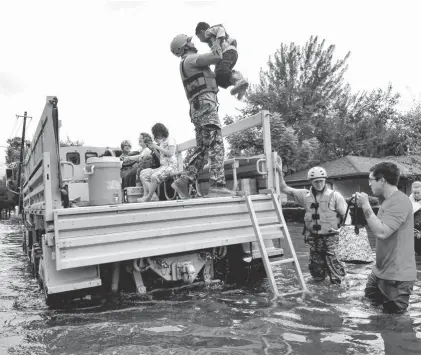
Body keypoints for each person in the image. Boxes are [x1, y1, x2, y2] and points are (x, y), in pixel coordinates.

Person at [169, 34, 235, 199]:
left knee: (203, 150)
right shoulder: (191, 60)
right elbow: (216, 56)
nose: (193, 43)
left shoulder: (187, 63)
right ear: (184, 47)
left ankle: (184, 181)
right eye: (190, 41)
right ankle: (217, 186)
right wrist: (216, 39)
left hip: (198, 109)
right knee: (216, 145)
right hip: (205, 108)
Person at [355, 162, 417, 313]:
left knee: (395, 323)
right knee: (369, 308)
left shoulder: (400, 202)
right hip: (380, 272)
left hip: (397, 277)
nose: (369, 183)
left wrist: (366, 205)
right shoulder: (388, 201)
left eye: (371, 179)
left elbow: (382, 232)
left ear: (382, 180)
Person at [277, 158, 348, 284]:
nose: (319, 184)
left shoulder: (335, 196)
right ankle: (319, 287)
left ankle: (340, 288)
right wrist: (278, 173)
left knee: (334, 265)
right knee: (316, 269)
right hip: (314, 238)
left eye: (321, 181)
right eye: (316, 182)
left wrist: (342, 230)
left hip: (332, 237)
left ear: (325, 180)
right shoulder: (304, 195)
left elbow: (346, 215)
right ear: (311, 182)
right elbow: (284, 188)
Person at [195, 22, 248, 100]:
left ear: (202, 31)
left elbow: (221, 29)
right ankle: (239, 85)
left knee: (221, 70)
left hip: (228, 52)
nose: (200, 40)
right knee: (219, 77)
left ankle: (239, 79)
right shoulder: (211, 39)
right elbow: (216, 54)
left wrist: (217, 42)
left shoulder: (208, 31)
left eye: (199, 37)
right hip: (230, 54)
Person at [139, 123, 178, 202]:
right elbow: (160, 156)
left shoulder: (171, 139)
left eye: (156, 133)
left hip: (171, 166)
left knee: (154, 176)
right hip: (163, 167)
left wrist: (157, 147)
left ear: (161, 132)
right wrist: (154, 149)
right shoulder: (162, 142)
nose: (155, 136)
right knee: (143, 173)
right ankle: (152, 196)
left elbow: (170, 153)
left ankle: (149, 197)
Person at [409, 181, 421, 254]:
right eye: (414, 193)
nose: (416, 195)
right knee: (417, 250)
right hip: (414, 228)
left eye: (418, 193)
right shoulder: (410, 200)